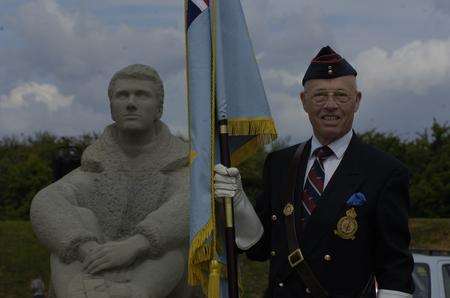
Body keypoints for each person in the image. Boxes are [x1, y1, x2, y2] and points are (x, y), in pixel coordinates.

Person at [214, 46, 414, 297]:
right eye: (320, 96)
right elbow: (260, 249)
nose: (330, 105)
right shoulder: (279, 163)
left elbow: (395, 270)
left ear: (357, 101)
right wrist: (239, 203)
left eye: (341, 95)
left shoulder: (385, 172)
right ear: (304, 101)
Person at [31, 64, 191, 298]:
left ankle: (131, 291)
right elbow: (47, 200)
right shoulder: (96, 164)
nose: (131, 103)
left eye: (142, 95)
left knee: (174, 243)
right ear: (112, 108)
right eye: (122, 95)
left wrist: (137, 244)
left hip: (152, 270)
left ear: (159, 108)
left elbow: (193, 200)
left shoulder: (179, 163)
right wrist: (87, 249)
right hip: (93, 268)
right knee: (72, 232)